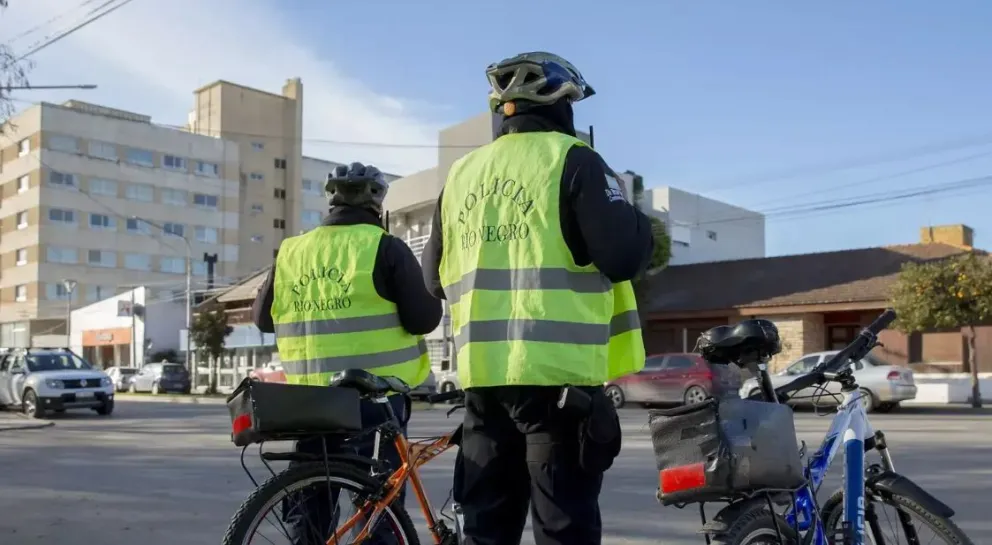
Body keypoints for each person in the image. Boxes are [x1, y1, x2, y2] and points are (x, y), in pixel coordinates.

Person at [420, 52, 655, 545]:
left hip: (484, 384)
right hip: (557, 386)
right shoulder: (574, 160)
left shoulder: (460, 177)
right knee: (562, 529)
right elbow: (623, 257)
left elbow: (434, 282)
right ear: (564, 104)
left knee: (486, 532)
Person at [252, 162, 443, 544]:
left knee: (310, 509)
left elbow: (261, 319)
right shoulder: (385, 247)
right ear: (377, 206)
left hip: (309, 403)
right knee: (377, 510)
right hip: (373, 403)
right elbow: (425, 319)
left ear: (331, 202)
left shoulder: (292, 252)